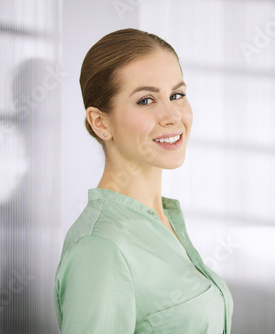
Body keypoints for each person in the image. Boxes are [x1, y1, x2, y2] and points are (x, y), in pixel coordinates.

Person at [53, 28, 233, 334]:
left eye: (176, 95)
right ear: (100, 122)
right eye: (146, 100)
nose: (172, 116)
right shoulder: (101, 247)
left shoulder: (165, 220)